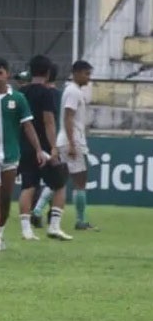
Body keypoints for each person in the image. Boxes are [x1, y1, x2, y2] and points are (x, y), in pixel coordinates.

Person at [0, 58, 47, 251]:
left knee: (6, 197)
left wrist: (39, 149)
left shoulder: (17, 99)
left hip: (10, 154)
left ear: (7, 74)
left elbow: (27, 125)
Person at [17, 55, 72, 241]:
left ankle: (26, 229)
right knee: (60, 183)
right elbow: (49, 121)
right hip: (45, 147)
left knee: (28, 186)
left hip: (25, 144)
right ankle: (54, 226)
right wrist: (54, 147)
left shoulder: (21, 92)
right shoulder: (47, 93)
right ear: (48, 73)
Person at [58, 60, 95, 230]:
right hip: (72, 140)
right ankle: (81, 220)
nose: (88, 78)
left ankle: (37, 211)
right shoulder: (73, 92)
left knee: (60, 179)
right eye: (86, 74)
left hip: (66, 139)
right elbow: (68, 117)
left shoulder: (72, 90)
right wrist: (73, 144)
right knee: (80, 181)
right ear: (77, 73)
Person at [30, 62, 65, 225]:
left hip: (36, 139)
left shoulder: (35, 93)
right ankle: (47, 212)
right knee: (57, 179)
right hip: (55, 141)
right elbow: (53, 120)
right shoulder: (57, 94)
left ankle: (35, 211)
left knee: (35, 180)